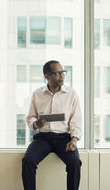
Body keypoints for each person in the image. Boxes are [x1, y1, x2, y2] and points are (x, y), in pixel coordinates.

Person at [22, 60, 82, 190]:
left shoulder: (71, 94)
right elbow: (30, 117)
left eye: (63, 72)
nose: (61, 76)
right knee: (28, 161)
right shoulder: (37, 94)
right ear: (47, 76)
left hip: (64, 138)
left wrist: (74, 140)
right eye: (57, 73)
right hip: (43, 138)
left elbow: (75, 120)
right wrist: (35, 123)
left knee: (75, 162)